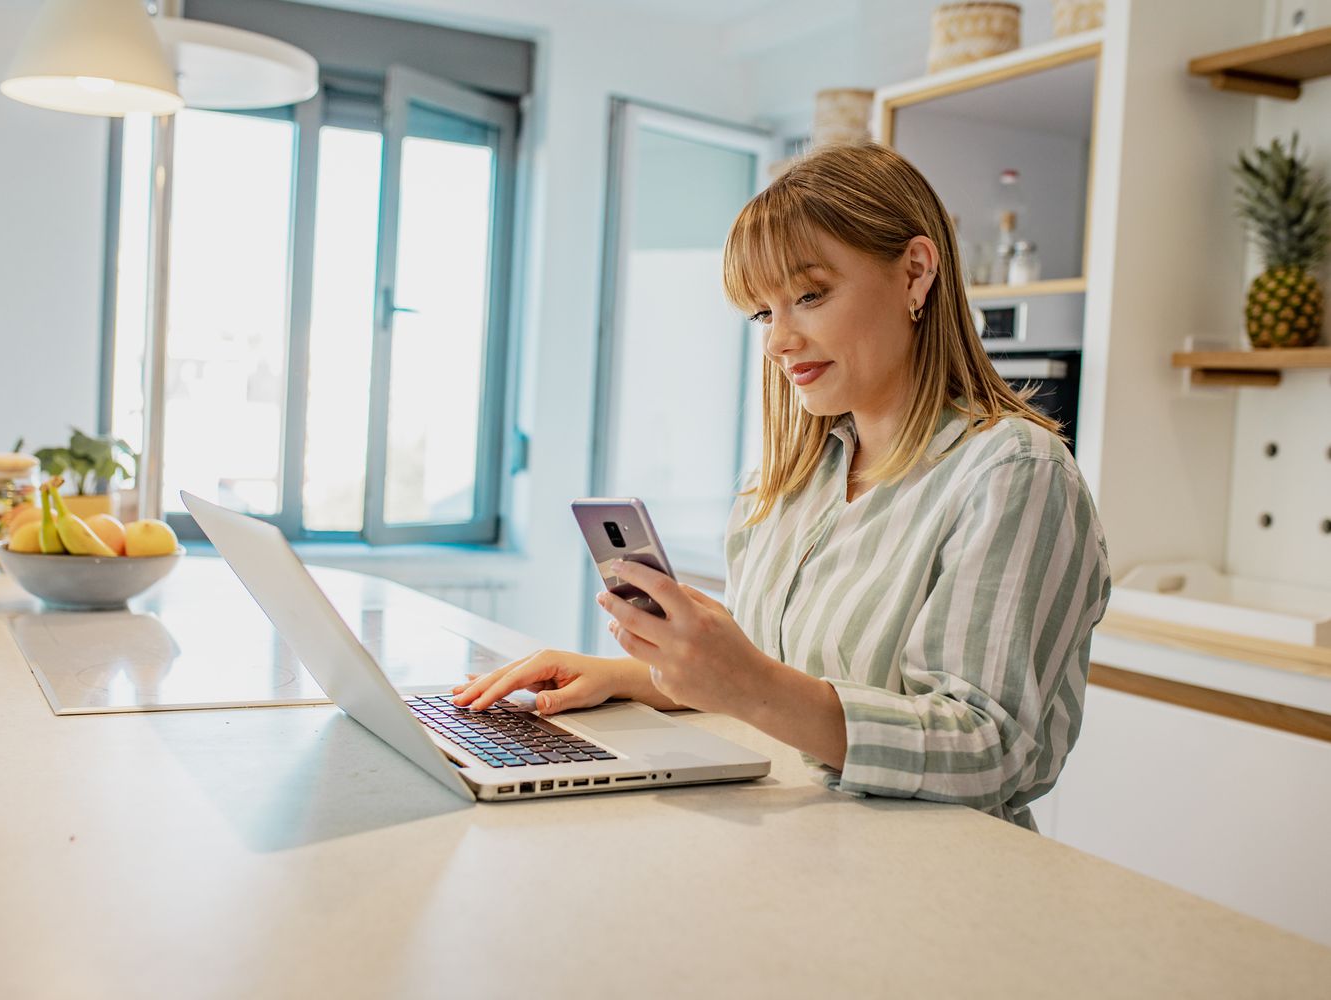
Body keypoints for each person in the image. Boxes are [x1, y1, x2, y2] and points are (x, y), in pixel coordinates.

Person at [454, 142, 1111, 829]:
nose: (777, 342)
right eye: (763, 313)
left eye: (809, 296)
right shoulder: (791, 481)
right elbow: (772, 677)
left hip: (925, 885)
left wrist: (753, 684)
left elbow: (993, 750)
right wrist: (625, 676)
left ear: (915, 273)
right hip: (793, 847)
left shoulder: (1014, 476)